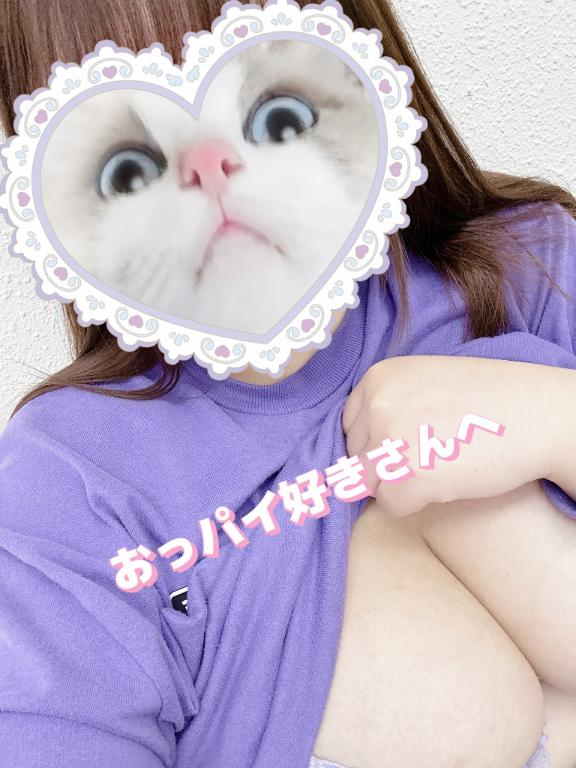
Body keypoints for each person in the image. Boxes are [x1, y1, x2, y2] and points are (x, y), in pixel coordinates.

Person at [0, 1, 575, 767]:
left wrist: (557, 419)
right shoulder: (66, 491)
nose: (210, 168)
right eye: (130, 164)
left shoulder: (528, 267)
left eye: (274, 113)